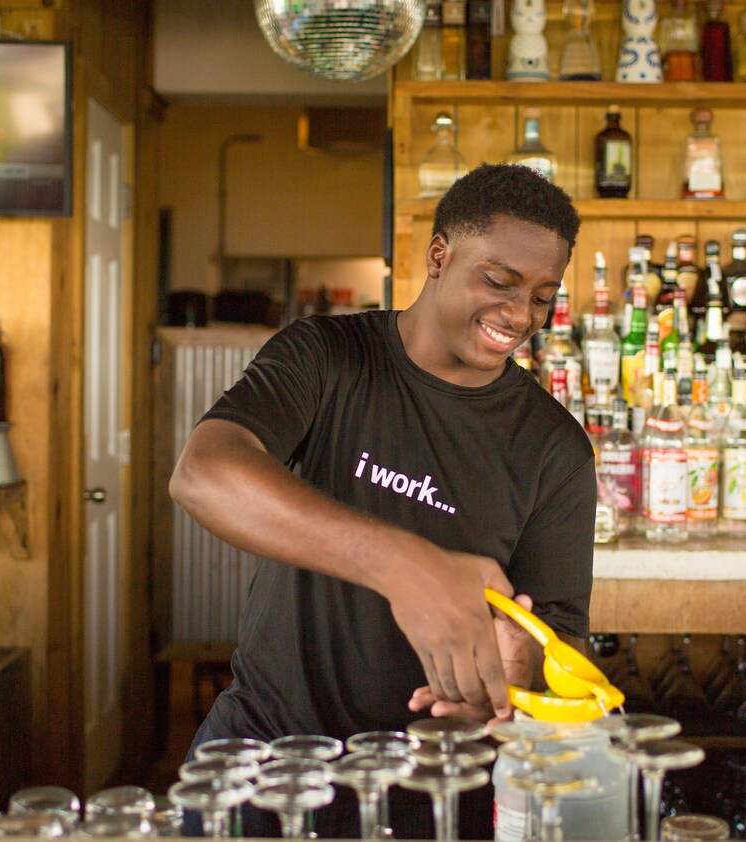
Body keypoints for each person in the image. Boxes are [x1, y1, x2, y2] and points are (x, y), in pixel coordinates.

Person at [169, 162, 596, 838]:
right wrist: (404, 566)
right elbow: (204, 473)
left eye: (544, 296)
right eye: (499, 282)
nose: (521, 316)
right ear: (438, 255)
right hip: (262, 764)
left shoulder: (554, 448)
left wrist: (524, 676)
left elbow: (566, 643)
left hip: (429, 793)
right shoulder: (328, 355)